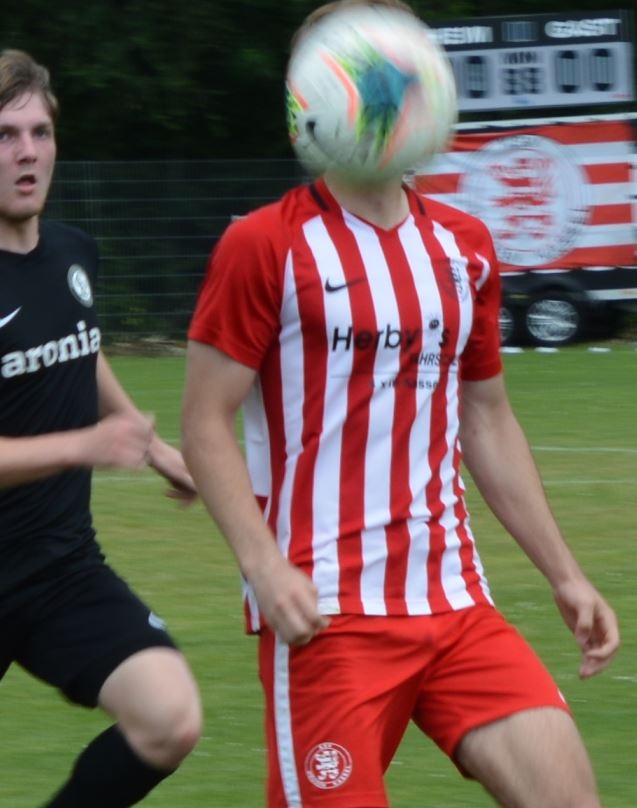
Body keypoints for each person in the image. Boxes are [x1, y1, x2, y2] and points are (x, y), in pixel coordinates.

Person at [180, 3, 620, 806]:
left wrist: (564, 574)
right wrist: (262, 566)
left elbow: (485, 418)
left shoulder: (463, 247)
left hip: (454, 601)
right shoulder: (264, 246)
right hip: (324, 613)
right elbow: (203, 422)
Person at [0, 51, 201, 808]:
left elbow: (78, 351)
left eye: (39, 132)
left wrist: (152, 444)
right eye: (2, 136)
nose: (27, 151)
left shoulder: (72, 252)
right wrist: (83, 446)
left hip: (59, 568)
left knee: (169, 720)